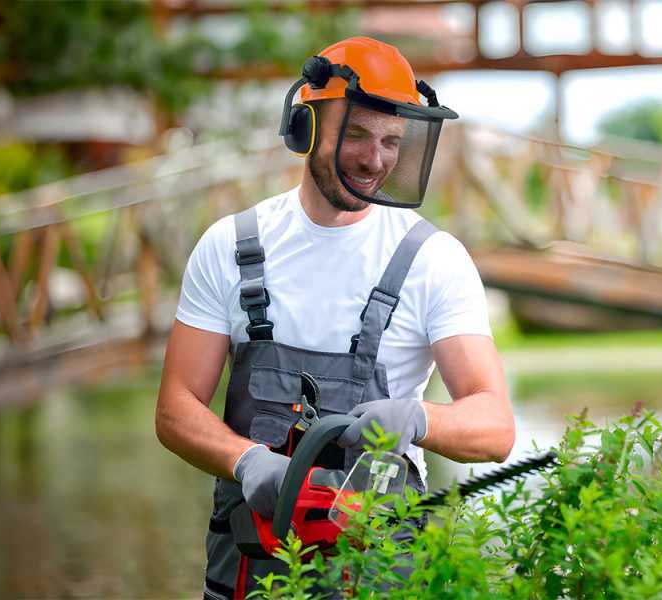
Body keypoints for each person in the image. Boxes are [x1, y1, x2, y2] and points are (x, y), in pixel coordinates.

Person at [156, 37, 515, 600]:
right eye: (357, 135)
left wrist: (419, 418)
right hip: (249, 569)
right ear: (306, 127)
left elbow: (495, 428)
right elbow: (175, 409)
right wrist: (245, 460)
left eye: (392, 141)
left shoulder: (433, 260)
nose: (376, 160)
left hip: (379, 573)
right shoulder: (229, 246)